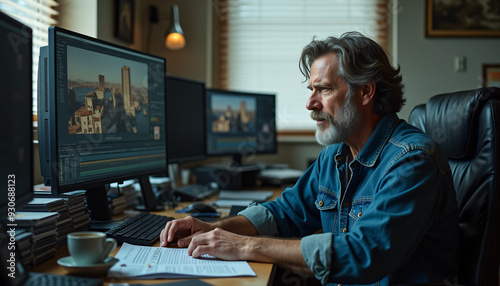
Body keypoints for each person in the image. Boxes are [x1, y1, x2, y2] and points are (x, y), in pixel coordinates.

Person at [160, 32, 459, 285]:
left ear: (366, 91)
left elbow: (363, 253)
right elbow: (284, 213)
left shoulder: (411, 161)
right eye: (311, 90)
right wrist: (214, 229)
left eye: (324, 89)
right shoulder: (334, 155)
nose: (310, 103)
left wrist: (244, 246)